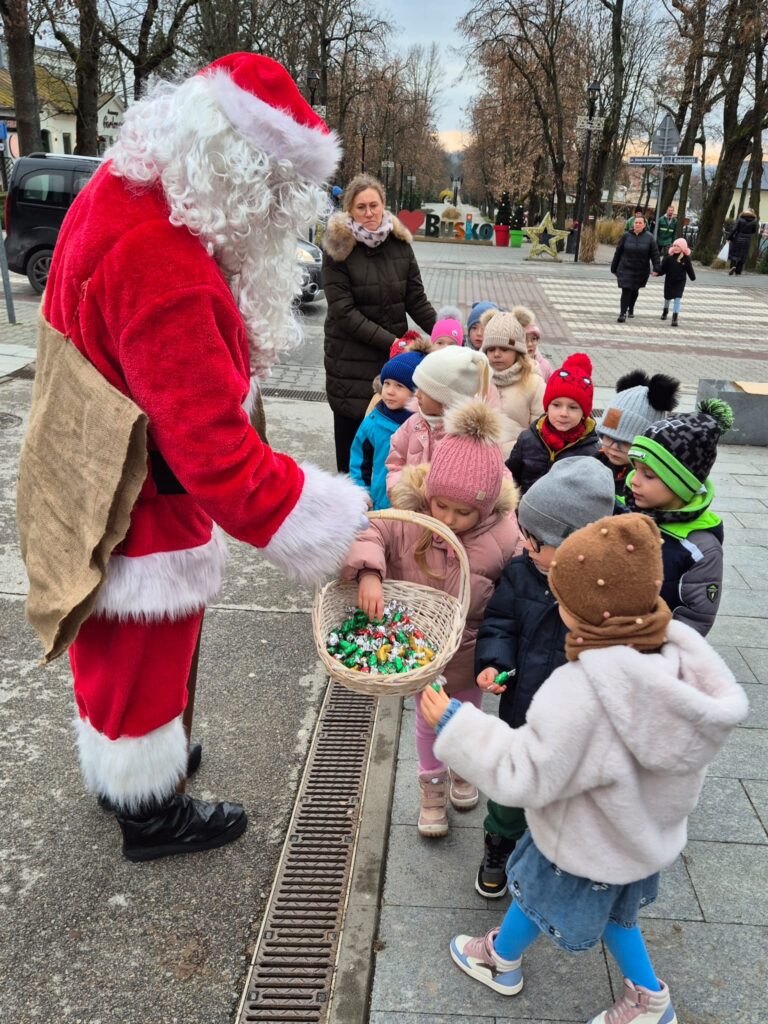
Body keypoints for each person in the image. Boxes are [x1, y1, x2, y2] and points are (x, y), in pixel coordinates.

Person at [16, 54, 369, 862]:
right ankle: (148, 807)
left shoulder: (128, 185)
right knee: (146, 644)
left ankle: (132, 763)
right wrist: (336, 526)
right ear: (244, 173)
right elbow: (215, 455)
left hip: (93, 453)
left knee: (112, 644)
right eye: (279, 193)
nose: (285, 215)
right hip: (141, 492)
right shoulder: (164, 263)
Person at [422, 515, 747, 1023]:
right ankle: (618, 990)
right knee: (616, 914)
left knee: (533, 888)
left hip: (582, 837)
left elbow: (522, 770)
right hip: (638, 837)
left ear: (585, 614)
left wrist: (455, 723)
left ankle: (517, 966)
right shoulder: (677, 663)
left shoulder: (585, 692)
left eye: (563, 602)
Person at [342, 400, 520, 837]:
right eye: (442, 506)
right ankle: (432, 786)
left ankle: (462, 769)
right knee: (428, 720)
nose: (450, 520)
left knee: (467, 714)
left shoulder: (503, 532)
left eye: (464, 513)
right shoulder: (412, 516)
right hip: (420, 647)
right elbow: (369, 529)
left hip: (468, 650)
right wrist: (369, 572)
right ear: (430, 493)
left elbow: (519, 586)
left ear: (487, 507)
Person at [472, 459, 616, 899]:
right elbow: (500, 624)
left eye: (535, 540)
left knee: (566, 794)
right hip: (523, 710)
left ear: (574, 546)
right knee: (512, 789)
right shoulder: (521, 573)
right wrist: (495, 662)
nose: (526, 545)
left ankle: (555, 855)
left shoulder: (607, 591)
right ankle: (499, 843)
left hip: (579, 724)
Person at [322, 174, 436, 472]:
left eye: (374, 205)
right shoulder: (338, 250)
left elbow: (416, 300)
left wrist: (446, 336)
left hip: (393, 364)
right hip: (350, 361)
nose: (369, 213)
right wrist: (394, 343)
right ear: (350, 210)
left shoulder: (399, 245)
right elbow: (344, 313)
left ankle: (383, 513)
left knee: (389, 447)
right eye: (361, 207)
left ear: (384, 205)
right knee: (353, 451)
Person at [626, 399, 733, 635]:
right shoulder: (623, 510)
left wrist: (664, 654)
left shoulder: (700, 548)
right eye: (635, 469)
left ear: (680, 484)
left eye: (649, 475)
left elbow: (696, 618)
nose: (634, 480)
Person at [385, 346, 492, 495]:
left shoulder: (472, 438)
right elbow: (396, 461)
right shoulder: (414, 423)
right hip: (412, 512)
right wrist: (399, 490)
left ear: (445, 399)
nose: (417, 395)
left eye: (424, 390)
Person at [506, 353, 598, 496]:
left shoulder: (592, 451)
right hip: (523, 512)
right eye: (556, 405)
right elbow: (510, 478)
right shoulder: (528, 439)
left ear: (584, 413)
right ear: (547, 406)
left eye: (573, 407)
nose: (563, 413)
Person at [349, 351, 424, 509]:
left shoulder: (423, 424)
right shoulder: (372, 423)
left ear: (416, 392)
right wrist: (362, 492)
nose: (389, 391)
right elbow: (359, 461)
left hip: (416, 507)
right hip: (380, 503)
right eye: (387, 383)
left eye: (399, 386)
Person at [596, 371, 680, 499]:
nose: (613, 447)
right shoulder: (596, 461)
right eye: (608, 437)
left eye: (625, 442)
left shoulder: (648, 479)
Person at [481, 309, 546, 457]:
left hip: (518, 461)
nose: (496, 354)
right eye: (491, 349)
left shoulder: (534, 383)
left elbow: (539, 431)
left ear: (517, 351)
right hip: (480, 460)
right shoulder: (479, 379)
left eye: (504, 349)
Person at [611, 215, 661, 322]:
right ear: (633, 224)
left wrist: (657, 268)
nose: (637, 224)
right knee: (626, 289)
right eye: (636, 222)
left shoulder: (650, 238)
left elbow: (655, 254)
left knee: (634, 290)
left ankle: (631, 307)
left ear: (644, 225)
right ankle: (622, 313)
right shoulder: (626, 236)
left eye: (640, 223)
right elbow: (618, 252)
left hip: (641, 269)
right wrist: (613, 268)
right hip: (626, 267)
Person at [657, 237, 696, 325]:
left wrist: (692, 277)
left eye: (678, 246)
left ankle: (675, 318)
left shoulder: (686, 259)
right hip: (669, 281)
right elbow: (663, 269)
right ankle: (665, 311)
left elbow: (689, 269)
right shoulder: (668, 257)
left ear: (682, 247)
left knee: (677, 298)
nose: (675, 247)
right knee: (667, 298)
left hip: (680, 282)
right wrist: (657, 273)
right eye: (674, 245)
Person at [727, 207, 758, 275]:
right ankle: (738, 271)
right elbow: (754, 231)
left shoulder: (740, 219)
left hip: (738, 238)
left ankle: (733, 266)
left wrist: (729, 238)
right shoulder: (754, 221)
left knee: (735, 253)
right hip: (747, 239)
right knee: (743, 255)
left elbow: (734, 229)